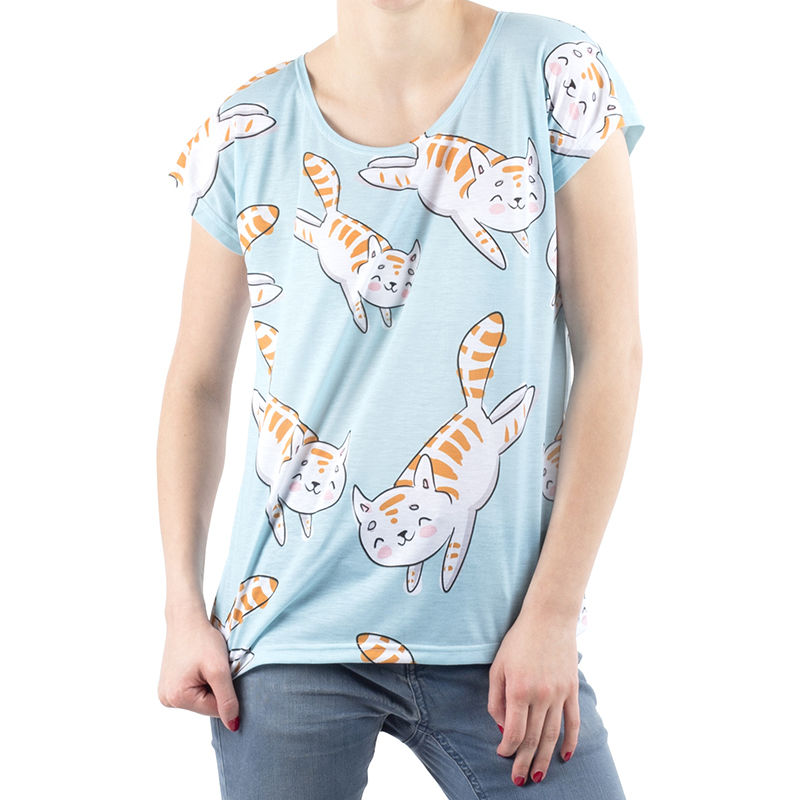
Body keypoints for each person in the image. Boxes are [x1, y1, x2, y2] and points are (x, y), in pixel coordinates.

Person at [156, 1, 646, 797]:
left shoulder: (555, 72)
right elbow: (197, 383)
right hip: (288, 632)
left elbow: (612, 355)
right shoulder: (245, 130)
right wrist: (182, 606)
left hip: (505, 640)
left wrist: (554, 614)